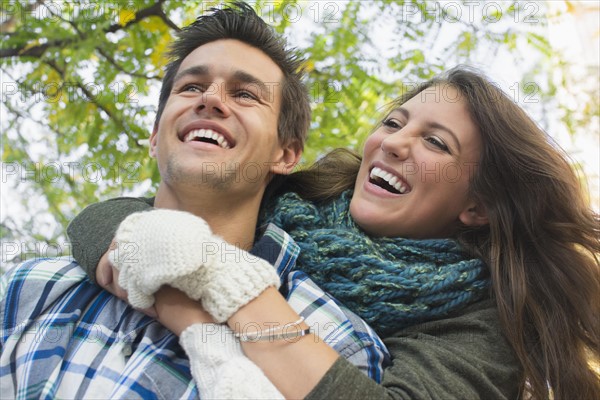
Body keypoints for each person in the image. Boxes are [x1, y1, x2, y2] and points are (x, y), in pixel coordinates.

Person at [71, 67, 599, 399]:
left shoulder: (483, 322)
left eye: (435, 143)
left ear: (477, 207)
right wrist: (191, 318)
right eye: (394, 123)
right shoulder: (299, 199)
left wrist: (223, 279)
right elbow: (111, 221)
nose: (393, 144)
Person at [0, 3, 390, 399]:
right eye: (191, 87)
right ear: (155, 137)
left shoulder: (336, 338)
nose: (211, 100)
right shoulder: (33, 288)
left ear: (286, 155)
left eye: (245, 94)